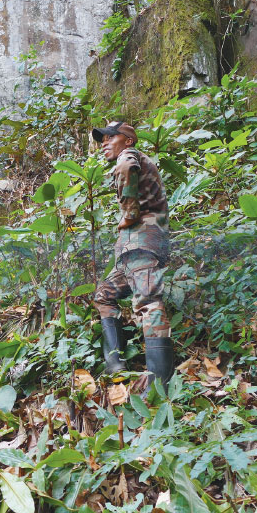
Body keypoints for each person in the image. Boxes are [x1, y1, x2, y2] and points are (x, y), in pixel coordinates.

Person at [91, 121, 174, 392]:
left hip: (142, 244)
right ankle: (114, 363)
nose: (103, 142)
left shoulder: (130, 156)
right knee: (104, 295)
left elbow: (126, 168)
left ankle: (160, 379)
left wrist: (129, 212)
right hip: (133, 251)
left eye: (110, 137)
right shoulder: (131, 157)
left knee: (148, 301)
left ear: (127, 141)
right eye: (101, 139)